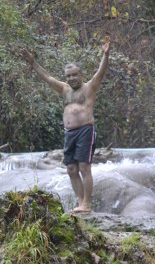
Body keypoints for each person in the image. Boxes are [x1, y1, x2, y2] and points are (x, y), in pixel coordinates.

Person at [21, 41, 110, 214]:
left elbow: (101, 72)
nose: (71, 78)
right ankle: (80, 202)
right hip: (69, 133)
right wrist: (33, 62)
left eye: (74, 75)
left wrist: (106, 55)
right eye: (68, 76)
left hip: (85, 130)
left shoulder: (90, 87)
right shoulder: (64, 89)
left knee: (84, 166)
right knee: (71, 169)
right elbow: (47, 77)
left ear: (81, 75)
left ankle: (87, 204)